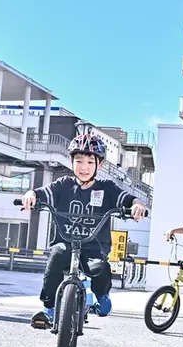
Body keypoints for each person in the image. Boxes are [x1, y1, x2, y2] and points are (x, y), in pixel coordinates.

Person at [20, 133, 148, 329]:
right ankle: (49, 310)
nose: (84, 166)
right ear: (72, 162)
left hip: (95, 246)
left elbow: (129, 199)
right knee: (56, 257)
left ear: (100, 165)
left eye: (90, 161)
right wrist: (30, 195)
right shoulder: (63, 185)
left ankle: (102, 294)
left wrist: (137, 205)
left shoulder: (107, 188)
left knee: (99, 269)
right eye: (79, 161)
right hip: (66, 242)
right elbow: (41, 193)